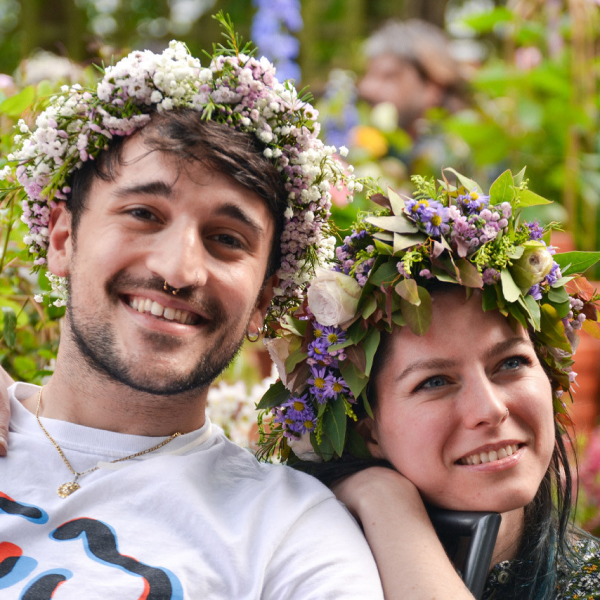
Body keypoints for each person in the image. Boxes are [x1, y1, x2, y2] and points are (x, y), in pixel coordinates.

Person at [0, 18, 385, 598]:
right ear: (62, 238)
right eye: (143, 215)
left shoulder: (286, 531)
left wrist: (391, 503)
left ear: (264, 298)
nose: (178, 270)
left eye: (227, 239)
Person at [258, 173, 600, 599]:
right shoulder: (306, 574)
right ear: (369, 431)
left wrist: (384, 500)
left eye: (511, 363)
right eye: (435, 381)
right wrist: (385, 499)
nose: (490, 409)